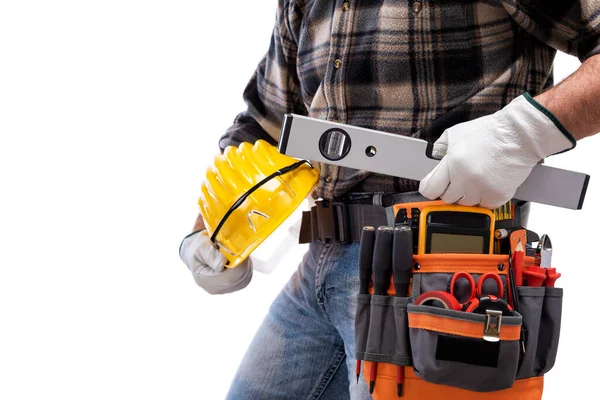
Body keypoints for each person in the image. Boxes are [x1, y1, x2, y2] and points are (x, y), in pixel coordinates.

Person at [179, 1, 600, 398]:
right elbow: (266, 121)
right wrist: (212, 229)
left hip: (442, 269)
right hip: (320, 263)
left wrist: (523, 133)